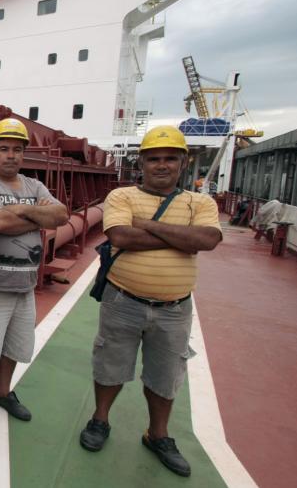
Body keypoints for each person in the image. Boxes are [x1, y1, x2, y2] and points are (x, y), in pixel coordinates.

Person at [78, 125, 222, 477]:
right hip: (122, 300)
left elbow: (207, 239)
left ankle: (158, 435)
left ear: (183, 162)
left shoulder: (200, 201)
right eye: (154, 158)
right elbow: (121, 236)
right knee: (109, 364)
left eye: (170, 158)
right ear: (141, 162)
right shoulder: (122, 197)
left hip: (174, 309)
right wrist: (181, 238)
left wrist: (149, 226)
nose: (161, 165)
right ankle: (100, 420)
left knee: (166, 375)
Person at [0, 119, 68, 431]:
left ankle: (2, 393)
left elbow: (61, 214)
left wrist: (19, 212)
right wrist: (36, 215)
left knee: (15, 347)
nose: (11, 155)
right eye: (5, 149)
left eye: (18, 150)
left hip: (24, 286)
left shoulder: (34, 185)